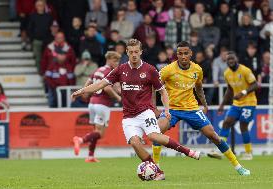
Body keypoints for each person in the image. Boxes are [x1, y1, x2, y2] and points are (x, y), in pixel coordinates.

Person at [72, 39, 200, 180]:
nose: (134, 55)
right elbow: (101, 84)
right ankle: (157, 171)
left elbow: (162, 91)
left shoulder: (150, 70)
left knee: (153, 136)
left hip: (145, 112)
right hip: (128, 116)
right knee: (134, 142)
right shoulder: (120, 70)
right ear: (127, 52)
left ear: (141, 52)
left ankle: (187, 151)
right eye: (131, 52)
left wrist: (167, 110)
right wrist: (82, 91)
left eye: (136, 52)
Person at [152, 41, 251, 176]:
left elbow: (198, 87)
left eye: (186, 53)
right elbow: (154, 87)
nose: (183, 56)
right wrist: (154, 107)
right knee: (157, 132)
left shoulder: (197, 69)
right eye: (180, 53)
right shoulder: (167, 70)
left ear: (191, 54)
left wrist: (204, 104)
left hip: (192, 109)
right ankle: (156, 168)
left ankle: (238, 166)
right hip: (173, 109)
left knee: (214, 136)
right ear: (177, 55)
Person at [207, 51, 258, 161]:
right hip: (237, 103)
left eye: (232, 59)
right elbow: (230, 90)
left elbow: (255, 84)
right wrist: (222, 104)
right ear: (226, 61)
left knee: (243, 125)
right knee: (226, 122)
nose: (231, 61)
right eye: (228, 59)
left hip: (249, 102)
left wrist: (243, 93)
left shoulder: (245, 70)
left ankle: (248, 153)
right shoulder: (226, 73)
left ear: (236, 59)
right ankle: (220, 150)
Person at [73, 51, 121, 162]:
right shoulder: (109, 72)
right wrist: (118, 98)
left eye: (118, 61)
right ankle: (80, 140)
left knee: (95, 131)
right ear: (108, 59)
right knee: (100, 133)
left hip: (92, 103)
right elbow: (107, 88)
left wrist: (83, 93)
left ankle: (90, 156)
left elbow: (89, 81)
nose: (117, 63)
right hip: (102, 104)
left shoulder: (98, 70)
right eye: (115, 60)